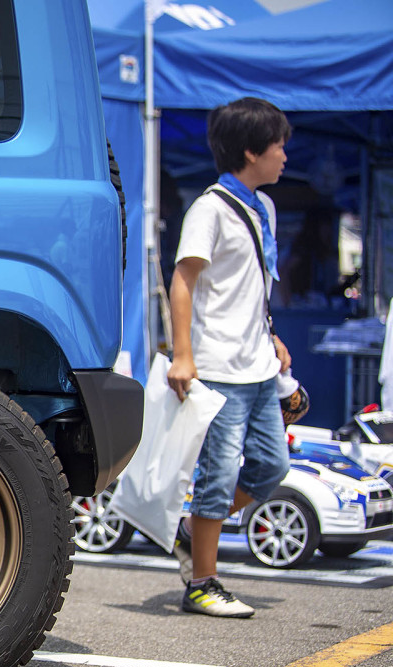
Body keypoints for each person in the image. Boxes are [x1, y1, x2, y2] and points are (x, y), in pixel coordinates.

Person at [167, 97, 293, 618]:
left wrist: (272, 335)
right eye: (278, 146)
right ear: (251, 151)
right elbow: (183, 280)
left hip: (259, 363)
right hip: (219, 366)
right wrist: (182, 355)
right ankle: (202, 582)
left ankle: (191, 530)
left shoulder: (265, 208)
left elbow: (253, 286)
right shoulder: (210, 209)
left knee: (271, 466)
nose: (285, 155)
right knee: (217, 476)